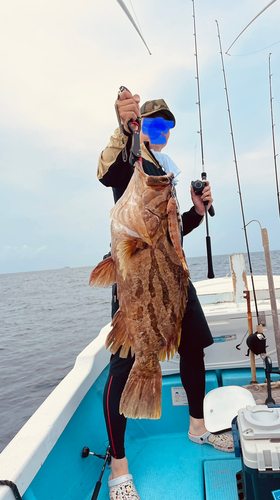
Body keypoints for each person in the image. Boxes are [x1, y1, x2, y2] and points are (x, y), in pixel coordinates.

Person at [97, 89, 234, 500]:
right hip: (136, 274)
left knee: (195, 345)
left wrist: (193, 210)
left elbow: (170, 232)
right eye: (154, 123)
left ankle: (197, 426)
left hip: (173, 273)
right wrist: (125, 127)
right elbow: (109, 173)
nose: (162, 131)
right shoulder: (133, 158)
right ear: (142, 125)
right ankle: (118, 468)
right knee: (124, 362)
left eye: (167, 126)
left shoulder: (168, 168)